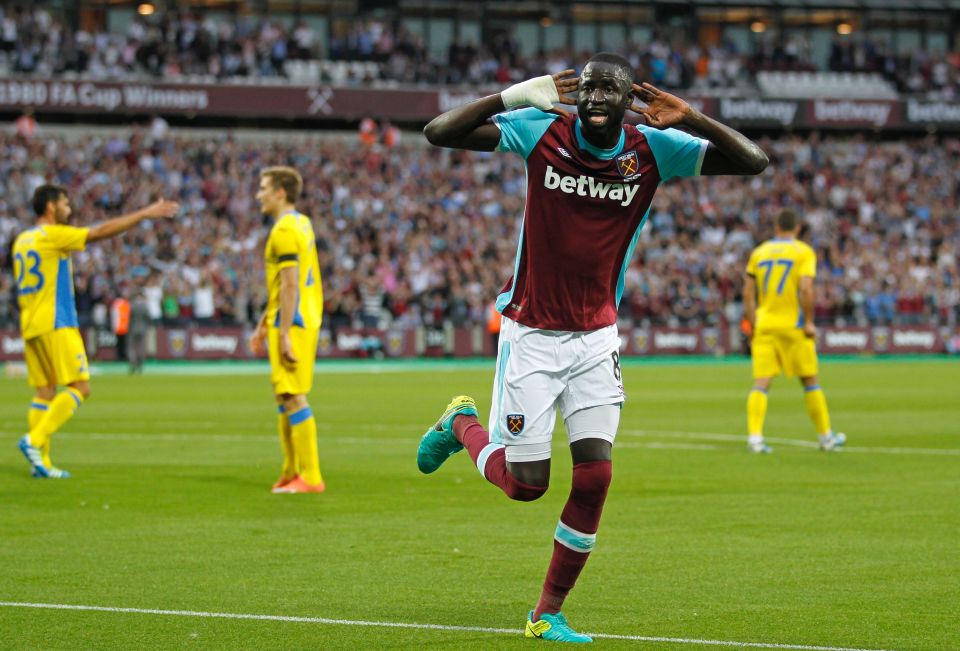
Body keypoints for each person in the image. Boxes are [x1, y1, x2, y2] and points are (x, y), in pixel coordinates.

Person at [418, 52, 769, 642]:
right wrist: (512, 95)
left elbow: (754, 162)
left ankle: (546, 613)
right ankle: (462, 425)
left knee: (595, 477)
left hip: (596, 339)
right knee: (526, 485)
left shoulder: (654, 147)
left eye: (611, 88)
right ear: (577, 94)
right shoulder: (542, 128)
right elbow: (439, 132)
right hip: (531, 333)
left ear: (630, 95)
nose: (597, 96)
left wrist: (693, 119)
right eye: (588, 87)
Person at [14, 185, 179, 478]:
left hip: (31, 322)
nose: (70, 208)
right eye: (65, 203)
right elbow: (99, 232)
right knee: (80, 387)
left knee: (44, 392)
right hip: (56, 320)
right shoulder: (53, 234)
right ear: (51, 207)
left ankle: (42, 464)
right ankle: (34, 441)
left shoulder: (23, 240)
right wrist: (144, 213)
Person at [249, 166, 326, 494]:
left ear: (280, 192)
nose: (259, 194)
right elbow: (285, 285)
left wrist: (281, 334)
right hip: (296, 318)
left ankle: (310, 477)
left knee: (293, 396)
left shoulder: (282, 231)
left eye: (264, 188)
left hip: (291, 322)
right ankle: (290, 471)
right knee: (284, 395)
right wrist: (262, 324)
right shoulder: (302, 223)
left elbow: (291, 283)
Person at [743, 208, 845, 454]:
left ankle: (755, 438)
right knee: (810, 381)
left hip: (765, 324)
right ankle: (825, 437)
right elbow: (807, 289)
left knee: (761, 383)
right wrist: (809, 321)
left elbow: (747, 292)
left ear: (776, 227)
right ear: (797, 228)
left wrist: (753, 324)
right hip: (793, 325)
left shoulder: (759, 252)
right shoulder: (803, 251)